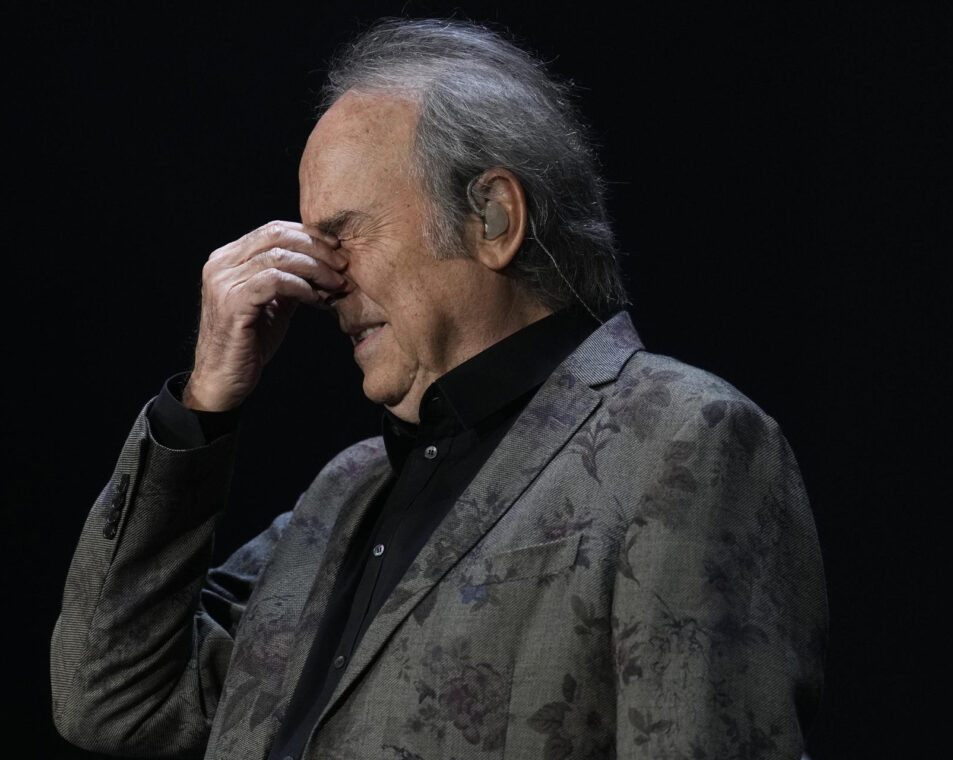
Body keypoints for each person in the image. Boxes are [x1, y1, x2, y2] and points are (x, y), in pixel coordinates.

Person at [51, 18, 826, 760]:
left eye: (342, 234)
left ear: (493, 217)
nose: (317, 283)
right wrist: (204, 403)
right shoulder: (343, 493)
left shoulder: (683, 441)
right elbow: (109, 697)